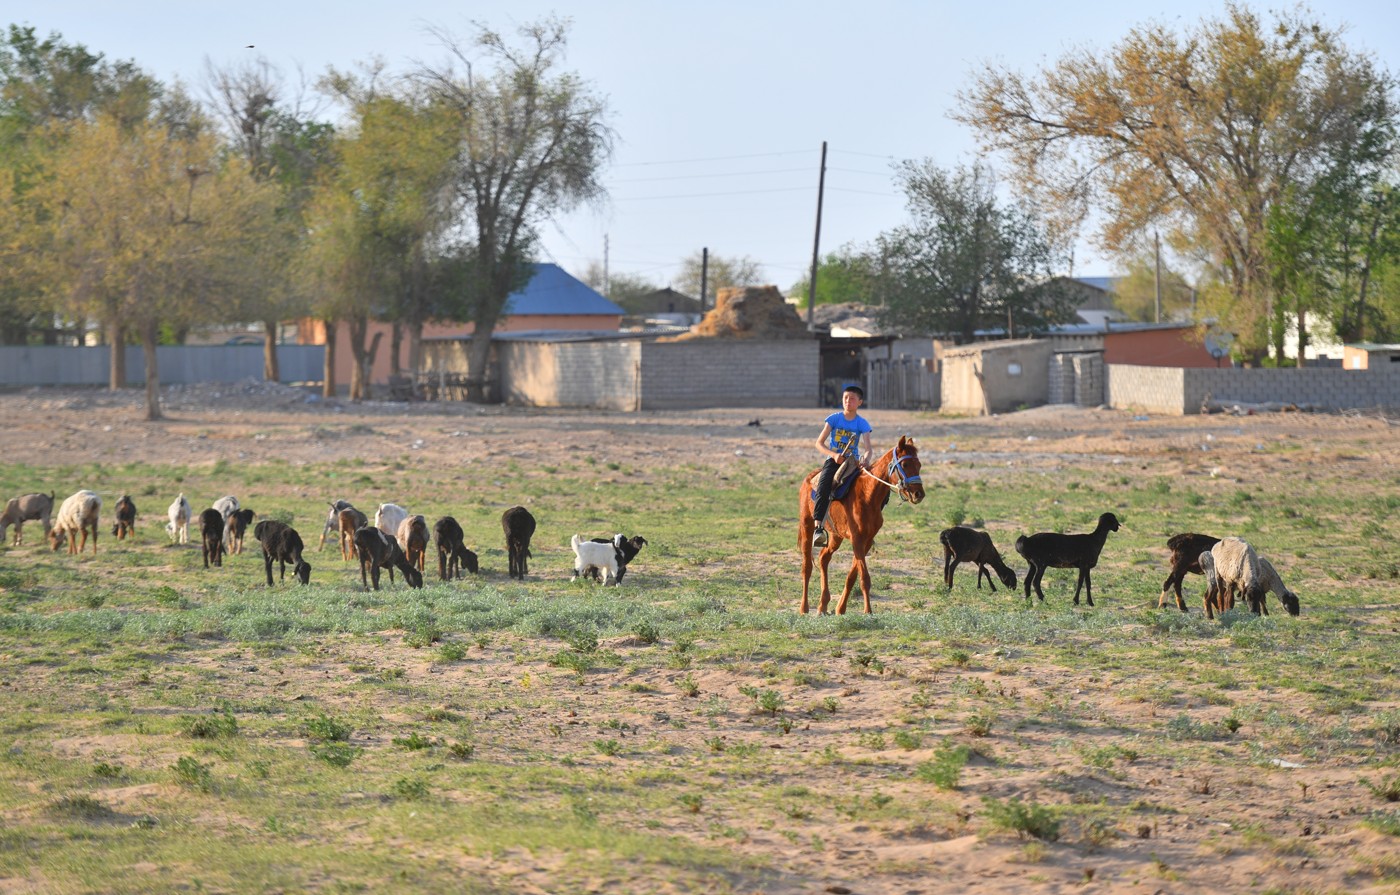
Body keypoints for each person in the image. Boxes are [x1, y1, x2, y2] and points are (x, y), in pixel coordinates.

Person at [810, 383, 875, 548]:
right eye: (846, 398)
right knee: (824, 485)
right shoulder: (834, 419)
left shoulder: (862, 423)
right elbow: (819, 443)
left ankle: (870, 529)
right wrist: (833, 455)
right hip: (834, 460)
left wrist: (866, 460)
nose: (848, 401)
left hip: (853, 462)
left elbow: (868, 449)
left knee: (873, 487)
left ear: (860, 402)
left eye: (852, 399)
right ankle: (818, 528)